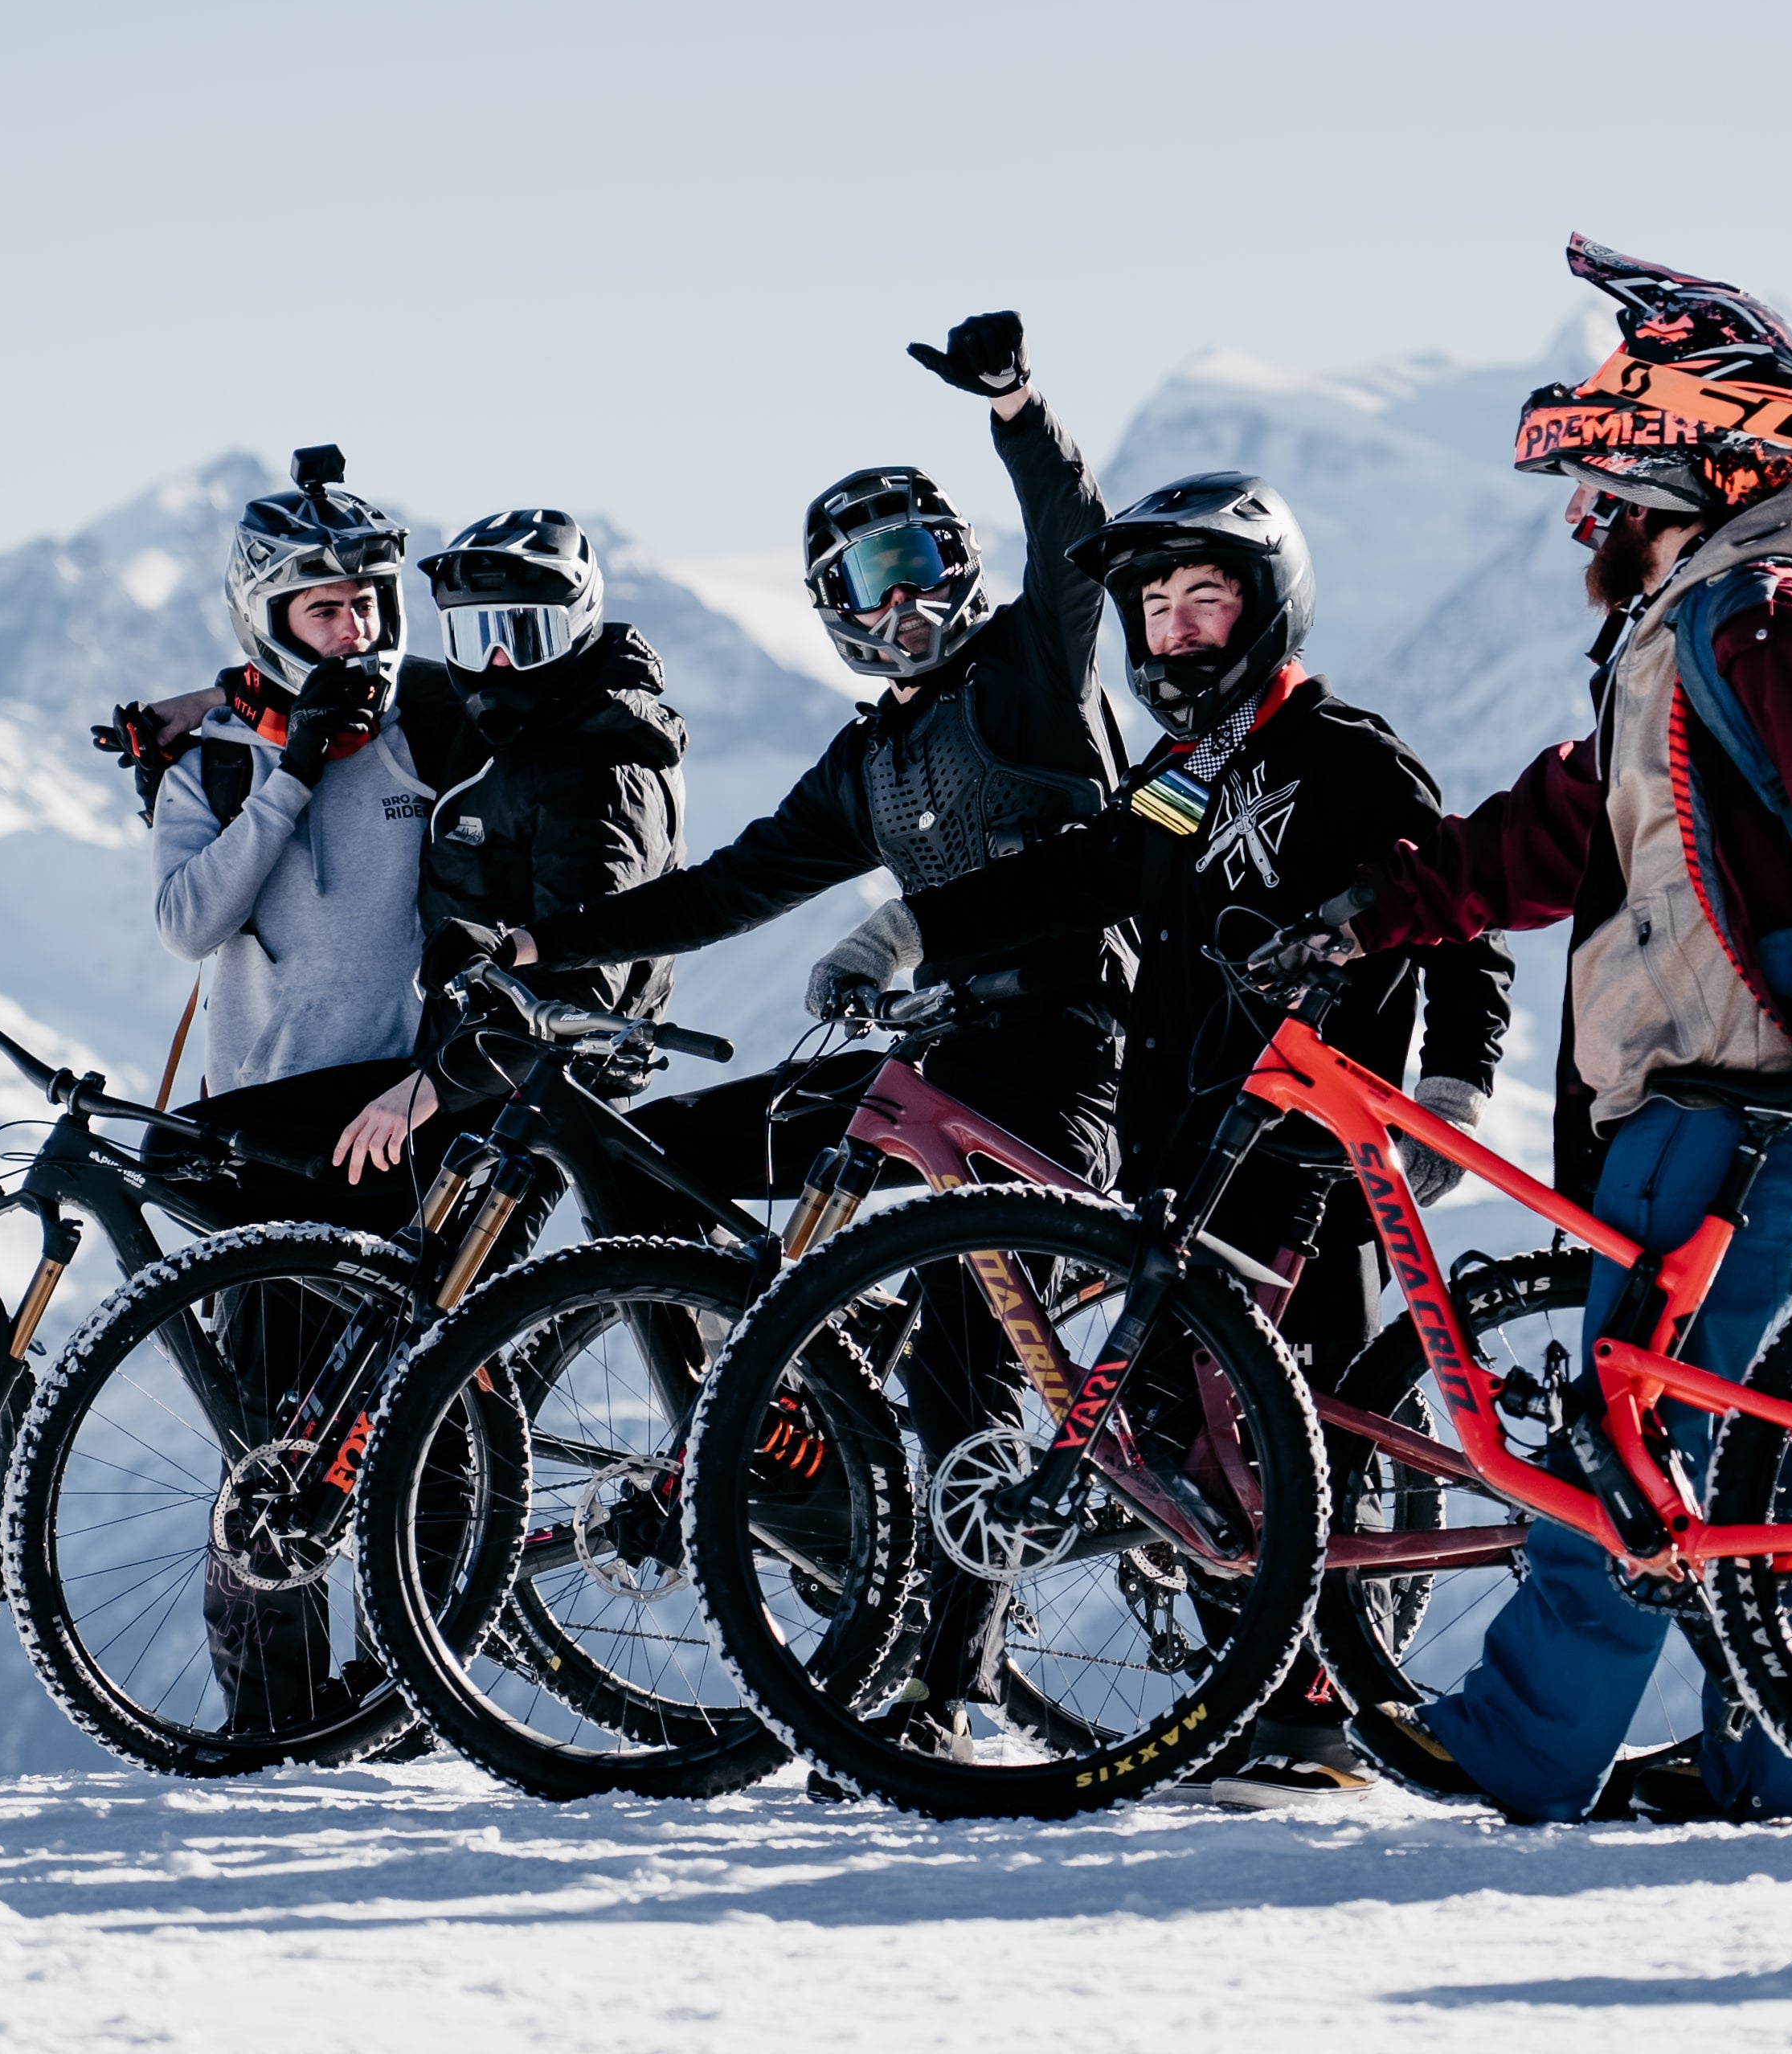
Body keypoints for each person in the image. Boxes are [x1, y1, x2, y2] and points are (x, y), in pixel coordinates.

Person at [1329, 235, 1792, 1825]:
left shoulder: (1758, 621)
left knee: (1631, 1434)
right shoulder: (1674, 637)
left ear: (1694, 452)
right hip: (1698, 1095)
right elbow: (1549, 836)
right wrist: (1362, 911)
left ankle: (1516, 1743)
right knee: (1758, 1436)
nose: (1581, 525)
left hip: (1739, 1096)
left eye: (1605, 491)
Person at [819, 462, 1515, 1811]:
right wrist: (913, 923)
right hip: (1182, 1153)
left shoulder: (1345, 755)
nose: (1180, 627)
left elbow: (1462, 920)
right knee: (1185, 1435)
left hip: (1309, 1156)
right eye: (1157, 608)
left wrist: (1458, 1085)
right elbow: (1074, 871)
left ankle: (1313, 1718)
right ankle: (1241, 1689)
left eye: (1207, 597)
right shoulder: (1181, 776)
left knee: (1308, 1425)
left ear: (1270, 605)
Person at [491, 311, 1131, 1773]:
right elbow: (724, 890)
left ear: (956, 570)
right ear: (829, 606)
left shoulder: (1029, 687)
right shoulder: (871, 760)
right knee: (658, 1151)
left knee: (967, 1368)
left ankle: (950, 1686)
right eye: (863, 583)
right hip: (926, 1068)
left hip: (1061, 1068)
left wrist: (1021, 412)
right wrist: (547, 948)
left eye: (916, 568)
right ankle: (791, 1399)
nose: (897, 605)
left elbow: (1076, 539)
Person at [148, 448, 481, 1239]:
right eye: (322, 612)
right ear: (270, 623)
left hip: (392, 1114)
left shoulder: (427, 734)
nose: (353, 633)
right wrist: (290, 775)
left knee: (405, 1352)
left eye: (366, 605)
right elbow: (188, 928)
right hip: (257, 1125)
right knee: (270, 1360)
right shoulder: (213, 766)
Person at [327, 508, 691, 1182]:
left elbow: (582, 981)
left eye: (525, 635)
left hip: (545, 1096)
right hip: (471, 1071)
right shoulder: (500, 723)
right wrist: (206, 706)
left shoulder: (602, 775)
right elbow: (362, 678)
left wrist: (431, 1089)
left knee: (471, 1287)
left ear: (577, 628)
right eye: (474, 636)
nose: (498, 662)